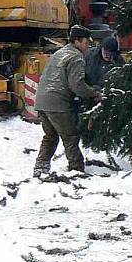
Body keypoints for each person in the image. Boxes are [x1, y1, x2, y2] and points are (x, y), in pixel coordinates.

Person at [32, 25, 101, 176]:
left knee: (50, 136)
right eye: (86, 42)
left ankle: (40, 167)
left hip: (42, 101)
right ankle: (76, 170)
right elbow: (77, 85)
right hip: (58, 103)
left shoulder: (61, 52)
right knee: (70, 136)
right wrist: (94, 93)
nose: (88, 46)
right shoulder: (76, 57)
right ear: (77, 41)